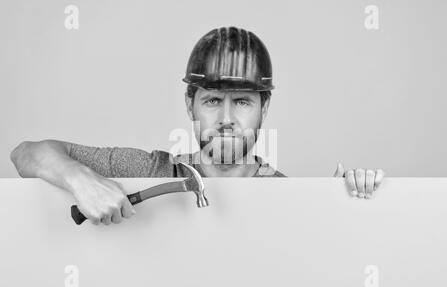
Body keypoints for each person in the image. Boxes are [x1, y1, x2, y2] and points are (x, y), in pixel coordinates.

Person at [10, 26, 385, 226]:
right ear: (189, 104)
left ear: (264, 108)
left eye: (241, 102)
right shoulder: (149, 172)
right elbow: (26, 154)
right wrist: (81, 180)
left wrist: (348, 208)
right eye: (211, 101)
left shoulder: (285, 198)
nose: (225, 119)